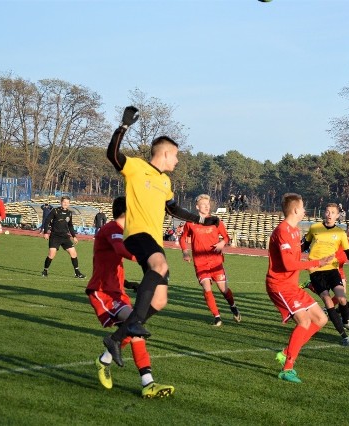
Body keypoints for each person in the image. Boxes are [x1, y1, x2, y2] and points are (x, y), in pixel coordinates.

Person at [102, 106, 219, 368]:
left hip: (154, 241)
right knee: (160, 266)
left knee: (160, 300)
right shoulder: (136, 167)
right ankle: (132, 323)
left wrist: (202, 220)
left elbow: (174, 209)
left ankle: (116, 338)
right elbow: (113, 154)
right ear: (165, 153)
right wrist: (123, 127)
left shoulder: (165, 182)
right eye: (175, 156)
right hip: (137, 234)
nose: (177, 161)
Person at [86, 196, 174, 398]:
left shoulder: (122, 231)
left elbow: (110, 263)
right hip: (103, 292)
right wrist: (147, 258)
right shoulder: (112, 229)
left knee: (134, 325)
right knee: (136, 329)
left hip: (116, 291)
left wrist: (127, 283)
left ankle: (105, 360)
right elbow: (119, 250)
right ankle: (148, 383)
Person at [267, 193, 334, 383]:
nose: (305, 210)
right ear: (296, 210)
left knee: (320, 319)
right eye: (303, 207)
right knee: (304, 322)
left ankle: (286, 352)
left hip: (291, 285)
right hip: (279, 285)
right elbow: (288, 264)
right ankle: (287, 368)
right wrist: (316, 263)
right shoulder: (283, 231)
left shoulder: (295, 231)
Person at [302, 202, 349, 346]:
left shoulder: (340, 233)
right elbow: (304, 245)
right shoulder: (314, 228)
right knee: (328, 301)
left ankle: (346, 322)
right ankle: (344, 335)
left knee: (341, 299)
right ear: (324, 213)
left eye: (332, 213)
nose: (329, 215)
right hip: (315, 270)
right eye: (327, 212)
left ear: (337, 215)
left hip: (332, 269)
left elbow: (348, 252)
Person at [180, 194, 241, 326]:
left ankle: (233, 306)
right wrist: (185, 252)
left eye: (208, 204)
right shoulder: (191, 223)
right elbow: (182, 238)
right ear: (197, 207)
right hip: (200, 263)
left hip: (216, 262)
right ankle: (217, 317)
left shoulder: (215, 220)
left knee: (223, 290)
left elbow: (226, 237)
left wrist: (222, 243)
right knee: (207, 288)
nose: (207, 206)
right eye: (203, 204)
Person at [41, 195, 85, 279]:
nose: (65, 204)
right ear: (61, 202)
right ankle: (45, 270)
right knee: (52, 254)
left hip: (65, 236)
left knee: (73, 253)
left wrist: (74, 236)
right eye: (64, 202)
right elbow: (47, 221)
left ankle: (77, 273)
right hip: (55, 236)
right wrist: (46, 232)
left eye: (67, 202)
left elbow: (70, 225)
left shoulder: (69, 213)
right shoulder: (55, 211)